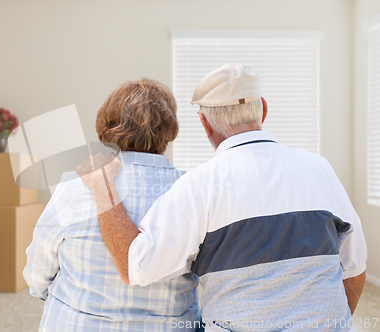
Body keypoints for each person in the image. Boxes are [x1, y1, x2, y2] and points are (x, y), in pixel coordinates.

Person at [77, 64, 368, 332]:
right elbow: (354, 270)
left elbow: (136, 267)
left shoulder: (197, 186)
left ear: (205, 124)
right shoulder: (319, 168)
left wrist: (104, 189)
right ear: (263, 110)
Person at [23, 78, 201, 331]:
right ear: (170, 129)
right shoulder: (193, 190)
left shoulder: (74, 186)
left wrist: (49, 295)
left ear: (108, 126)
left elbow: (39, 267)